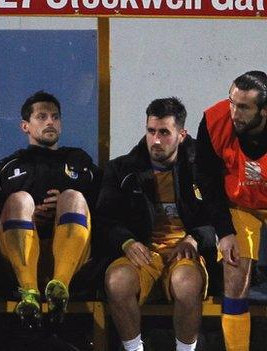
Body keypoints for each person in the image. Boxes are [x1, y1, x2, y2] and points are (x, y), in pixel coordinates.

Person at [99, 97, 212, 351]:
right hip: (143, 254)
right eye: (151, 131)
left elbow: (220, 218)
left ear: (181, 135)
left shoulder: (202, 168)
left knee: (187, 282)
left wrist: (195, 238)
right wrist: (126, 241)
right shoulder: (122, 169)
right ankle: (134, 349)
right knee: (116, 280)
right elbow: (105, 218)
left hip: (183, 252)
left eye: (164, 132)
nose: (156, 140)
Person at [0, 91, 99, 328]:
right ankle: (29, 294)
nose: (50, 122)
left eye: (55, 117)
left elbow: (102, 209)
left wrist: (61, 212)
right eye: (42, 116)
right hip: (19, 264)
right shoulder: (7, 168)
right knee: (19, 200)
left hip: (74, 263)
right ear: (25, 126)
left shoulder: (80, 161)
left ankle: (60, 288)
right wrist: (30, 216)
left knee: (72, 197)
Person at [196, 71, 267, 351]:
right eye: (232, 102)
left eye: (244, 107)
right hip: (240, 206)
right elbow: (206, 181)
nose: (234, 112)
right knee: (235, 276)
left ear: (264, 110)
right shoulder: (214, 121)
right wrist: (224, 232)